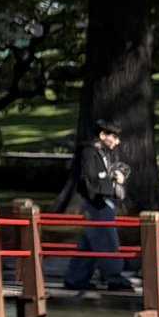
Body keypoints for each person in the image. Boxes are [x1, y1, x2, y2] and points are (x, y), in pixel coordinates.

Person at [57, 120, 134, 292]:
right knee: (107, 240)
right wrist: (112, 181)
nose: (117, 141)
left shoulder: (105, 154)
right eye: (114, 136)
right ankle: (114, 277)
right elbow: (90, 180)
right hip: (96, 204)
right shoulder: (89, 153)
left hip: (102, 203)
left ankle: (75, 277)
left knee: (89, 243)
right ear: (102, 135)